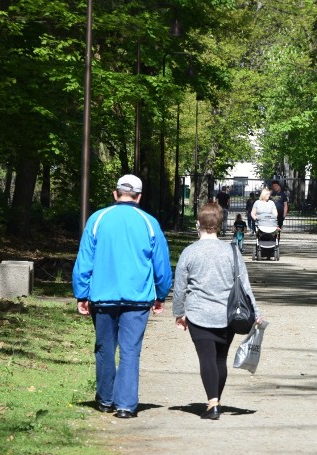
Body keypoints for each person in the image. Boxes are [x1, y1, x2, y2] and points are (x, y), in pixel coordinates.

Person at [72, 174, 172, 419]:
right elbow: (161, 264)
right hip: (137, 298)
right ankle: (126, 405)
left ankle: (105, 399)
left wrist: (81, 293)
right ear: (139, 197)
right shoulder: (149, 222)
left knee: (105, 348)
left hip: (103, 297)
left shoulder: (97, 219)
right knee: (130, 350)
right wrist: (161, 294)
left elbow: (84, 260)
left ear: (115, 194)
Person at [173, 203, 262, 420]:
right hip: (228, 315)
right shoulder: (231, 251)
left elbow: (179, 287)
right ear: (220, 226)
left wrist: (179, 313)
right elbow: (244, 285)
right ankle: (216, 401)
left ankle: (212, 403)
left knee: (206, 358)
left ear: (198, 224)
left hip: (198, 314)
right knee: (220, 359)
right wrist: (256, 311)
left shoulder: (189, 252)